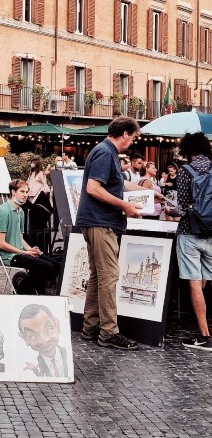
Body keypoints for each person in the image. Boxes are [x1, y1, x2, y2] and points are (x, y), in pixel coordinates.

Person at [75, 115, 143, 350]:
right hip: (100, 222)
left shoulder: (105, 152)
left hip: (96, 221)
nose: (132, 143)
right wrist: (125, 206)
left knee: (97, 276)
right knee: (108, 276)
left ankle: (91, 327)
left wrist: (150, 191)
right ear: (124, 133)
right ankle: (109, 333)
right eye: (132, 138)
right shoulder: (105, 152)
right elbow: (93, 188)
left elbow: (117, 184)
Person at [174, 132, 212, 350]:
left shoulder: (185, 172)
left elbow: (182, 208)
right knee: (204, 279)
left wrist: (168, 204)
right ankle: (203, 320)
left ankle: (204, 336)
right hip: (211, 232)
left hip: (190, 232)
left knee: (194, 281)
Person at [0, 179, 60, 295]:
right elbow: (0, 243)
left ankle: (31, 292)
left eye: (26, 192)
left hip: (20, 252)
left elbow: (20, 239)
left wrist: (30, 249)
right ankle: (23, 290)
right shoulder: (3, 211)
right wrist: (24, 253)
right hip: (8, 256)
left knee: (56, 266)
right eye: (22, 192)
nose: (25, 195)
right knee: (45, 266)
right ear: (13, 192)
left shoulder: (21, 212)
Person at [18, 303, 69, 377]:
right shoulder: (38, 362)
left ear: (57, 326)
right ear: (25, 339)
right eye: (32, 336)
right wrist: (35, 369)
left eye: (49, 329)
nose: (44, 340)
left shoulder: (66, 353)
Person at [26, 156, 53, 248]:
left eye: (33, 162)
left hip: (38, 193)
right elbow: (28, 182)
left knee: (37, 209)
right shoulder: (31, 172)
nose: (31, 164)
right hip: (30, 193)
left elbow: (44, 183)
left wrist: (46, 193)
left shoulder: (40, 173)